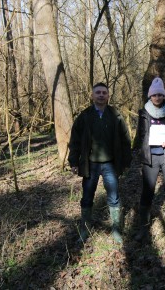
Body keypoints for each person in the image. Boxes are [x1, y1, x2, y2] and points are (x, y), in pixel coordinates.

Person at [68, 82, 132, 244]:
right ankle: (85, 229)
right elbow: (75, 140)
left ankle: (117, 230)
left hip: (111, 164)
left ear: (108, 95)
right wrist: (74, 161)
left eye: (104, 92)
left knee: (114, 197)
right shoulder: (85, 116)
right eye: (98, 92)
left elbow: (125, 140)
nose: (101, 95)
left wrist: (126, 160)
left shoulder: (116, 115)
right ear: (92, 95)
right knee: (87, 197)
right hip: (90, 165)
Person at [135, 77, 165, 242]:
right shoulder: (143, 113)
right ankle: (143, 228)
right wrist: (137, 153)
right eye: (154, 95)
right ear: (150, 96)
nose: (157, 97)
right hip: (150, 158)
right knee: (148, 191)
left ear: (164, 95)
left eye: (160, 95)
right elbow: (140, 136)